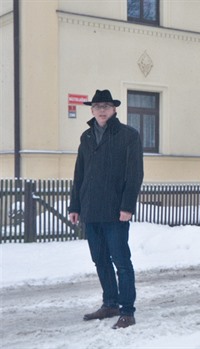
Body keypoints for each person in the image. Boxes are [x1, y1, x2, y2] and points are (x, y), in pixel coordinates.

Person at [68, 89, 144, 329]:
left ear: (114, 110)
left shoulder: (128, 135)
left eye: (106, 106)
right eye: (98, 106)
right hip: (91, 210)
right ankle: (110, 303)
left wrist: (127, 206)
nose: (102, 110)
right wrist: (75, 206)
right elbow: (79, 174)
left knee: (121, 261)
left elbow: (135, 174)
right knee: (100, 260)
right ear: (92, 110)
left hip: (115, 211)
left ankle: (127, 311)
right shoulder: (86, 137)